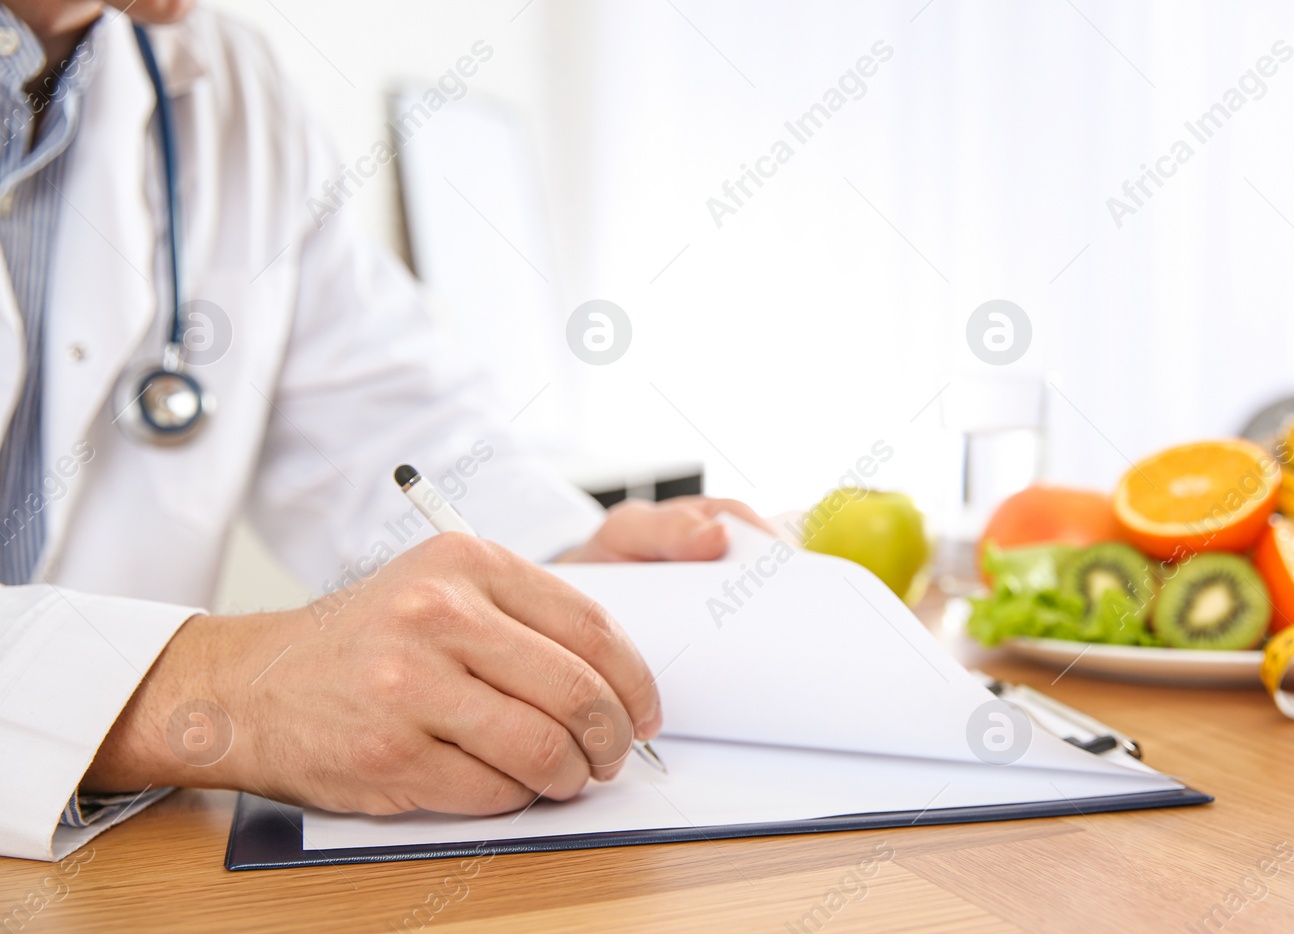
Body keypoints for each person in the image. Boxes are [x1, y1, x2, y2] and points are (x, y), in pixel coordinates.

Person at [0, 0, 761, 861]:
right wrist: (210, 688)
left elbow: (389, 431)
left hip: (111, 891)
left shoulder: (229, 88)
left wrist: (551, 581)